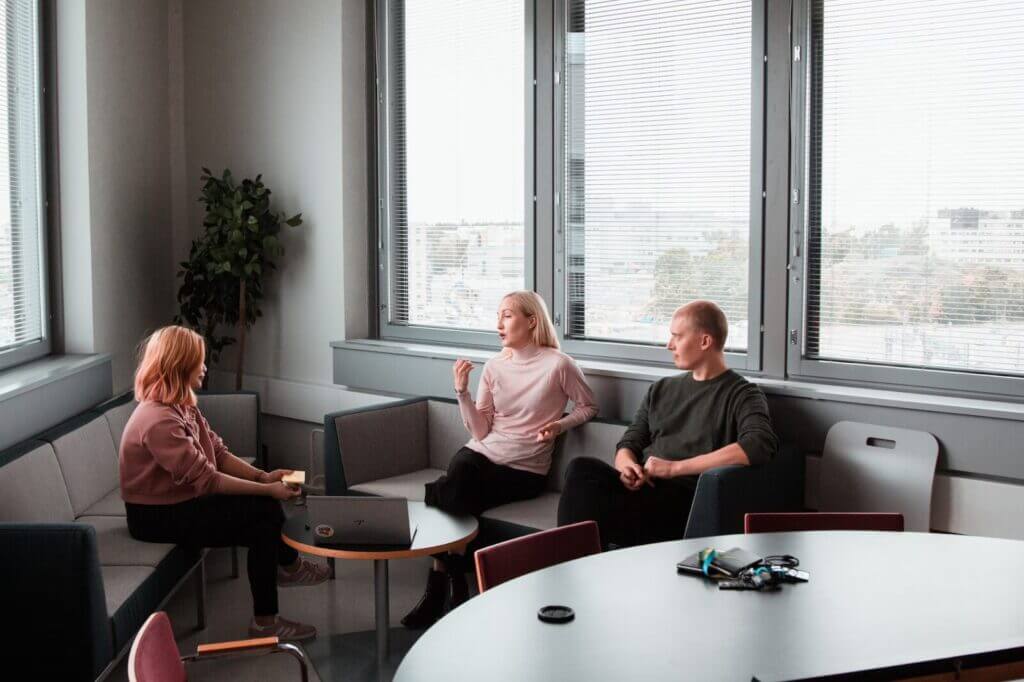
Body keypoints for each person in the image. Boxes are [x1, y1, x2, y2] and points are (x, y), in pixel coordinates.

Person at [402, 291, 598, 629]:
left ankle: (440, 586)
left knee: (448, 491)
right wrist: (461, 391)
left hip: (524, 469)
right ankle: (452, 581)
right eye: (498, 315)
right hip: (482, 453)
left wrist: (559, 425)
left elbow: (589, 406)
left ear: (532, 320)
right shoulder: (494, 366)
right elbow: (479, 432)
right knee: (460, 477)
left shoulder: (558, 365)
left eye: (507, 315)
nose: (498, 324)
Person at [120, 326, 329, 642]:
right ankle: (278, 591)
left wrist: (262, 477)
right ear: (180, 365)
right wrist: (267, 489)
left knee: (264, 514)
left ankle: (280, 585)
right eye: (198, 362)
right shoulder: (158, 419)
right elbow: (207, 480)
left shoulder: (182, 405)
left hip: (177, 502)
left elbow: (216, 452)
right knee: (263, 515)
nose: (204, 367)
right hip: (153, 517)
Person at [557, 300, 778, 548]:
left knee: (591, 519)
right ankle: (571, 564)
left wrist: (673, 468)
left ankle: (568, 564)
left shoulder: (742, 394)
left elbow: (758, 444)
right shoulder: (661, 389)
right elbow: (630, 442)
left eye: (677, 337)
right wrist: (627, 467)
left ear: (705, 342)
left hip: (682, 499)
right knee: (581, 469)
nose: (669, 345)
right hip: (641, 490)